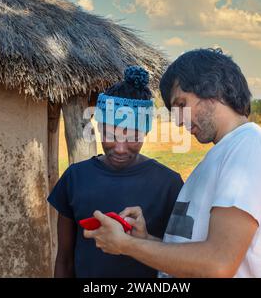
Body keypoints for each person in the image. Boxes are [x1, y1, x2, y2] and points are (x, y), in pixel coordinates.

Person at [85, 49, 261, 278]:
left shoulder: (251, 147)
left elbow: (218, 264)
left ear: (212, 89)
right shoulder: (225, 152)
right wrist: (144, 239)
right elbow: (196, 248)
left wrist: (126, 245)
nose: (177, 120)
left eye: (181, 104)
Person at [47, 66, 183, 278]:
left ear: (145, 131)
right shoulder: (74, 179)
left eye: (132, 137)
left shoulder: (169, 185)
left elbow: (182, 257)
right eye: (111, 134)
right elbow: (64, 259)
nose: (120, 148)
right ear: (99, 128)